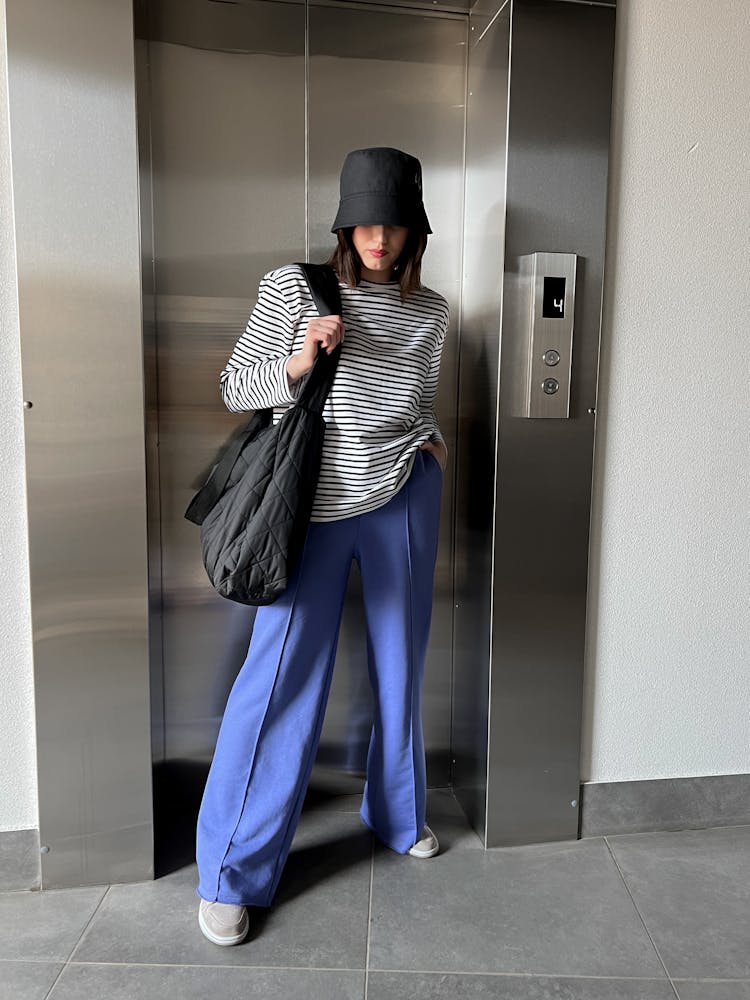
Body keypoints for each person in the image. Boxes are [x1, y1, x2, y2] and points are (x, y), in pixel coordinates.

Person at [195, 146, 449, 946]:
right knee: (279, 681)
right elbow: (236, 386)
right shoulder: (294, 287)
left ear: (415, 230)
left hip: (402, 496)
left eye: (396, 223)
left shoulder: (431, 312)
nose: (380, 238)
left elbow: (421, 398)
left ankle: (397, 812)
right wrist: (303, 355)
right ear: (345, 222)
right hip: (307, 509)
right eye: (367, 221)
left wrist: (434, 445)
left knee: (403, 662)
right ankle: (232, 869)